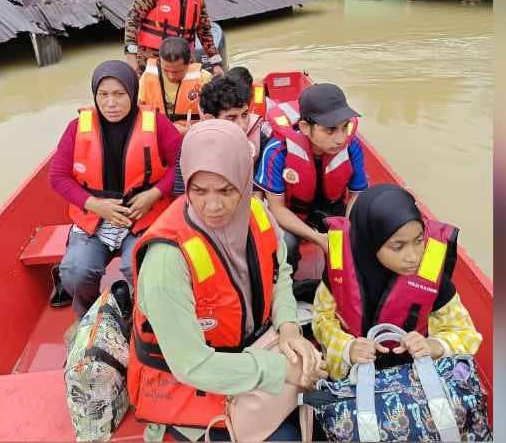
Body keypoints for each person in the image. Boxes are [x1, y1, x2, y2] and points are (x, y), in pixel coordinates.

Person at [127, 121, 325, 441]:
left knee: (320, 410)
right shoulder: (166, 262)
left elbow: (281, 275)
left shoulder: (258, 212)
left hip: (253, 347)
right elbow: (192, 365)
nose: (213, 206)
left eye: (227, 189)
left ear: (244, 182)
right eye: (199, 191)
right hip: (191, 383)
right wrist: (280, 371)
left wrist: (288, 326)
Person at [49, 61, 183, 316]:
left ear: (133, 93)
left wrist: (154, 194)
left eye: (119, 94)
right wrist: (95, 205)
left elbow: (181, 164)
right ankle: (88, 313)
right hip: (94, 219)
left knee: (140, 267)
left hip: (144, 215)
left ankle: (142, 313)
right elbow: (57, 177)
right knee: (76, 272)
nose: (111, 102)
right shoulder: (76, 128)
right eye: (104, 94)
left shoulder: (158, 124)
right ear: (95, 96)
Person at [312, 184, 482, 381]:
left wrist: (434, 346)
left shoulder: (430, 269)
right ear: (370, 240)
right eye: (397, 246)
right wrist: (346, 347)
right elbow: (321, 318)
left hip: (411, 378)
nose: (413, 257)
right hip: (356, 374)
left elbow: (466, 333)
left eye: (419, 241)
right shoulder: (339, 264)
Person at [255, 83, 369, 272]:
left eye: (344, 127)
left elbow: (356, 195)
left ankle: (338, 288)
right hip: (291, 215)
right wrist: (318, 238)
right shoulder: (277, 151)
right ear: (305, 127)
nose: (340, 139)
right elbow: (277, 208)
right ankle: (287, 288)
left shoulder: (352, 146)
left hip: (331, 210)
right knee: (286, 244)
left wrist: (348, 228)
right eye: (330, 130)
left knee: (360, 238)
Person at [171, 75, 273, 196]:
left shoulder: (260, 138)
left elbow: (259, 190)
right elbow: (182, 195)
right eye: (231, 118)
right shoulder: (190, 146)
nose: (242, 125)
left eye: (245, 115)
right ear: (210, 119)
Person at [139, 37, 212, 134]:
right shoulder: (147, 77)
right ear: (160, 61)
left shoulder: (204, 79)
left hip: (192, 137)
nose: (171, 76)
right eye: (165, 70)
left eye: (177, 72)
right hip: (159, 135)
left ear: (189, 62)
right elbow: (143, 112)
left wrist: (190, 131)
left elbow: (213, 120)